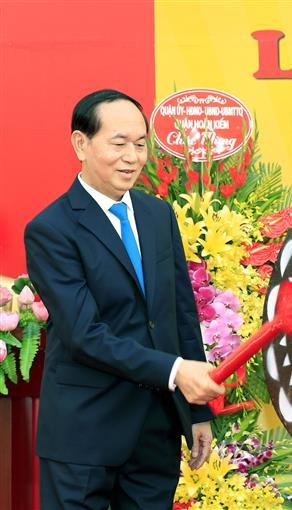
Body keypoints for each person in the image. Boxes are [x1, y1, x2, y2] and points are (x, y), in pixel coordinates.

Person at [24, 89, 225, 509]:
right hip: (85, 435)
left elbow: (180, 315)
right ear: (81, 144)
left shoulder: (157, 215)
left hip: (155, 432)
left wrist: (198, 412)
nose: (132, 157)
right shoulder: (51, 229)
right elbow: (84, 334)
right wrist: (174, 371)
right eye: (119, 144)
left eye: (140, 144)